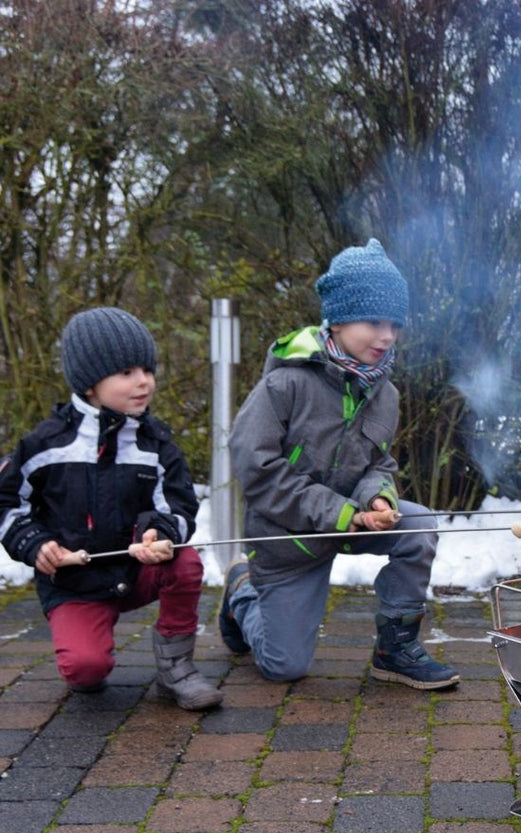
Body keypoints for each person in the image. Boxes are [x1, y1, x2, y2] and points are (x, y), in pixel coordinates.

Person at [219, 238, 459, 690]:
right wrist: (341, 513)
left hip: (352, 523)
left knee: (418, 526)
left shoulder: (385, 393)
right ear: (340, 319)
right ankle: (242, 594)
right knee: (283, 667)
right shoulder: (285, 384)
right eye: (374, 322)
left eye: (395, 324)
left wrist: (379, 496)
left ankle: (394, 652)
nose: (387, 336)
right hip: (288, 544)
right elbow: (256, 468)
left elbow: (379, 462)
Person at [0, 307, 222, 709]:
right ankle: (88, 652)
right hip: (74, 583)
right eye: (126, 373)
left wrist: (160, 533)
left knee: (185, 562)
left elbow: (177, 505)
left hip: (135, 570)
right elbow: (8, 503)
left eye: (147, 370)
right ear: (89, 384)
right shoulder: (44, 445)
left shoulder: (157, 444)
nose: (144, 382)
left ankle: (176, 670)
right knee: (86, 669)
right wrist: (35, 543)